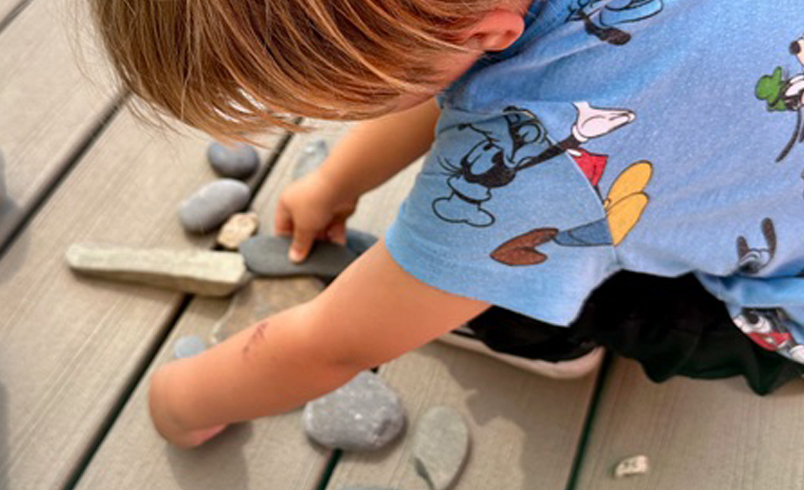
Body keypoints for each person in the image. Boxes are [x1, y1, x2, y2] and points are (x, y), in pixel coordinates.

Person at [89, 0, 804, 448]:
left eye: (363, 93)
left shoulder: (550, 156)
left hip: (783, 307)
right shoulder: (494, 21)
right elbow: (468, 66)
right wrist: (338, 179)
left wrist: (183, 401)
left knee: (491, 271)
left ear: (490, 31)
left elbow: (330, 347)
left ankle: (552, 342)